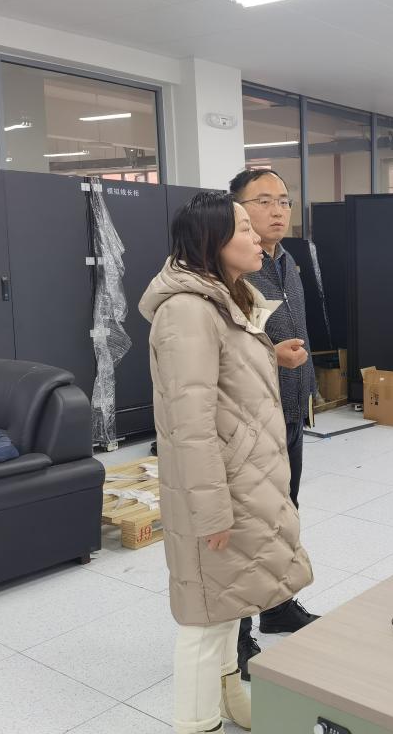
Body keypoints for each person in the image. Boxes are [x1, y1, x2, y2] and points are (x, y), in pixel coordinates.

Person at [140, 191, 313, 733]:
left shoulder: (225, 298)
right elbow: (189, 424)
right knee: (204, 616)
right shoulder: (187, 311)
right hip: (220, 487)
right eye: (244, 227)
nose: (258, 237)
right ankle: (196, 722)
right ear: (212, 241)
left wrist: (269, 355)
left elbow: (223, 375)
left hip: (245, 479)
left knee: (230, 600)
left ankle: (229, 697)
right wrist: (211, 510)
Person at [229, 168, 320, 677]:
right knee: (250, 526)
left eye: (284, 200)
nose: (278, 210)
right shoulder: (230, 270)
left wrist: (306, 387)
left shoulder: (288, 261)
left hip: (289, 410)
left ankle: (278, 606)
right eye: (263, 201)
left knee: (286, 514)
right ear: (236, 209)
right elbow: (230, 351)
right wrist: (273, 359)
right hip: (250, 420)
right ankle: (237, 634)